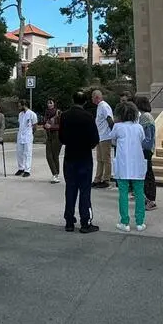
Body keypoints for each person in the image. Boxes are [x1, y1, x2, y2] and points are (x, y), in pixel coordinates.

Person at [59, 91, 100, 233]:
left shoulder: (64, 116)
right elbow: (95, 138)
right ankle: (85, 221)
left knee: (70, 189)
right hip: (84, 156)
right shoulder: (88, 117)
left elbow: (62, 138)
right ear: (84, 102)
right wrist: (87, 145)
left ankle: (69, 220)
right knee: (84, 190)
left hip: (70, 156)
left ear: (73, 100)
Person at [110, 100, 152, 233]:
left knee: (123, 193)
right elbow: (142, 140)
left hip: (123, 164)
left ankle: (125, 222)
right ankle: (140, 222)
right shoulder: (138, 127)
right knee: (139, 193)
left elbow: (113, 140)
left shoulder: (117, 127)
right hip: (137, 163)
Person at [135, 94, 157, 210]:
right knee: (146, 173)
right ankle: (147, 198)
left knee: (148, 174)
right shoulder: (145, 116)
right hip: (146, 149)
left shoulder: (145, 117)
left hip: (146, 150)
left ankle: (150, 199)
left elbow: (148, 137)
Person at [92, 90, 114, 188]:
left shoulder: (104, 106)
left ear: (97, 97)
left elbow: (110, 120)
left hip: (105, 136)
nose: (92, 99)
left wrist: (113, 134)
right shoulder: (99, 107)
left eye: (92, 97)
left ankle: (106, 179)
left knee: (106, 159)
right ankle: (98, 178)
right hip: (100, 136)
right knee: (100, 159)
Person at [15, 99, 38, 177]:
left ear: (24, 105)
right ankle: (21, 168)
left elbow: (35, 126)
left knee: (27, 153)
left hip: (28, 136)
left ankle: (27, 170)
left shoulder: (32, 114)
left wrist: (31, 133)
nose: (18, 107)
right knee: (19, 152)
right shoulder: (20, 114)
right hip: (20, 135)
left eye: (19, 106)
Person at [43, 98, 62, 183]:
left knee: (55, 156)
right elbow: (44, 123)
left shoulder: (58, 112)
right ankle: (55, 173)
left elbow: (62, 126)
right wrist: (45, 126)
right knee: (48, 155)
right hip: (49, 135)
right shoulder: (46, 113)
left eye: (51, 103)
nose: (49, 104)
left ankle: (56, 175)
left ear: (54, 104)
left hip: (57, 136)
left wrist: (51, 127)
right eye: (48, 103)